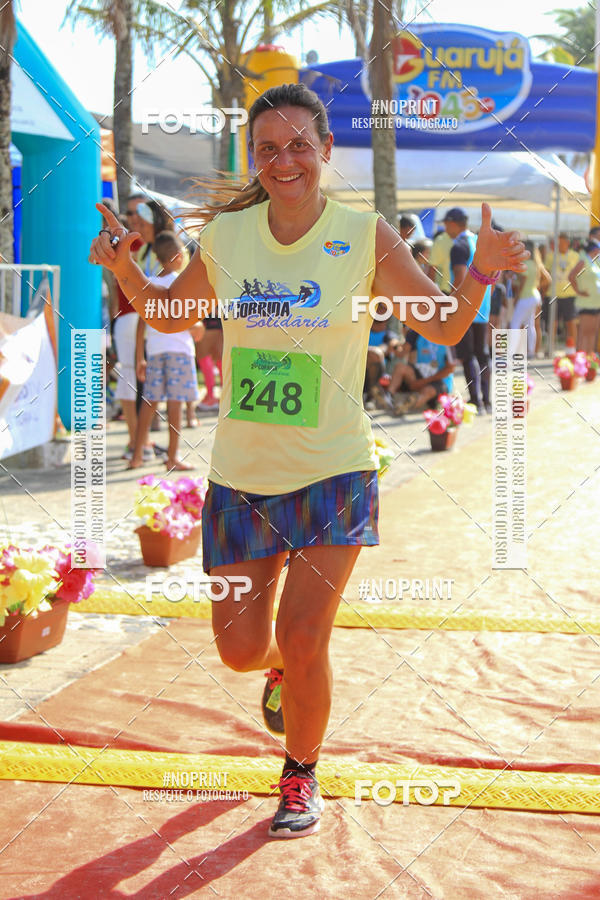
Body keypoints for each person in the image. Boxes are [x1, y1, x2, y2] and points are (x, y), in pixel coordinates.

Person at [89, 82, 527, 839]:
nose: (284, 160)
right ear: (253, 159)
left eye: (299, 145)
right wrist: (124, 271)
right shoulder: (228, 237)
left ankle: (300, 772)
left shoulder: (365, 235)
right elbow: (170, 311)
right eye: (267, 148)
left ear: (325, 150)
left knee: (304, 635)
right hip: (242, 475)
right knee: (239, 650)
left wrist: (481, 273)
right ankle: (277, 672)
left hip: (334, 470)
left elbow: (445, 326)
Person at [130, 231, 201, 471]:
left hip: (155, 350)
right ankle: (172, 457)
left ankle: (137, 454)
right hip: (179, 350)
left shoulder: (150, 284)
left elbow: (141, 324)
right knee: (175, 403)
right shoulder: (181, 283)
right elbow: (188, 320)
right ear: (179, 256)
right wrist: (198, 327)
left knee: (149, 402)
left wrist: (139, 357)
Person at [443, 208, 493, 413]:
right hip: (484, 305)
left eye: (446, 224)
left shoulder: (459, 245)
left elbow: (460, 277)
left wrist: (451, 303)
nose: (445, 228)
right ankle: (487, 400)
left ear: (453, 223)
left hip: (466, 307)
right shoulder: (477, 242)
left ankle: (475, 401)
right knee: (482, 354)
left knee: (467, 355)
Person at [384, 329, 456, 415]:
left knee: (428, 391)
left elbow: (450, 369)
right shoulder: (416, 331)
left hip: (440, 380)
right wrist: (394, 344)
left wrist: (422, 382)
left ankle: (405, 406)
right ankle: (388, 398)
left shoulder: (448, 335)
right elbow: (401, 353)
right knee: (400, 367)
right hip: (420, 374)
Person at [510, 241, 550, 358]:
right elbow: (547, 279)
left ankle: (512, 352)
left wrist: (516, 298)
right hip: (535, 296)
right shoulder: (536, 264)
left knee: (515, 324)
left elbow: (522, 283)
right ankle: (531, 351)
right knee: (530, 325)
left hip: (526, 297)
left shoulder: (526, 264)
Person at [545, 232, 579, 345]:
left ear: (567, 243)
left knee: (570, 322)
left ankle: (573, 348)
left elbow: (579, 274)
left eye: (561, 243)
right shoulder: (551, 256)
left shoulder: (575, 256)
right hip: (553, 294)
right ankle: (550, 347)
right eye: (558, 243)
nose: (559, 245)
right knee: (552, 322)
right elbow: (546, 273)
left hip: (569, 294)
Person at [568, 241, 600, 354]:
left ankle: (589, 358)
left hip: (596, 303)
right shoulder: (584, 261)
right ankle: (581, 359)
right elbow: (571, 276)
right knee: (584, 333)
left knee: (592, 332)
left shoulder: (595, 262)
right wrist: (579, 292)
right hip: (586, 303)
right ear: (594, 250)